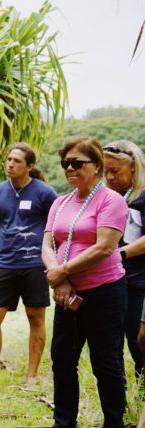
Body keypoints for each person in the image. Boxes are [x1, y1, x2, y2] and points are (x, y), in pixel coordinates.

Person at [41, 136, 128, 428]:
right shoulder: (60, 202)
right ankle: (63, 423)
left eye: (77, 163)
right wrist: (59, 278)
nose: (70, 168)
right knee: (63, 359)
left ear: (97, 166)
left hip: (104, 293)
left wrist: (62, 270)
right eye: (65, 163)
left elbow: (104, 247)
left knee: (106, 362)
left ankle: (113, 424)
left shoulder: (111, 200)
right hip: (67, 294)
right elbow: (48, 243)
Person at [0, 143, 57, 386]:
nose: (10, 164)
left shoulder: (44, 193)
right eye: (9, 159)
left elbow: (54, 227)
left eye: (17, 161)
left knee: (35, 316)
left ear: (29, 166)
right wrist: (9, 246)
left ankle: (32, 374)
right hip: (6, 263)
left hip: (35, 264)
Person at [103, 140, 145, 379]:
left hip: (139, 280)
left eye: (115, 171)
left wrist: (118, 254)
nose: (109, 177)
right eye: (105, 171)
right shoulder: (108, 198)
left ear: (133, 168)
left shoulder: (142, 196)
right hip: (113, 280)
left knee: (138, 337)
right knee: (114, 341)